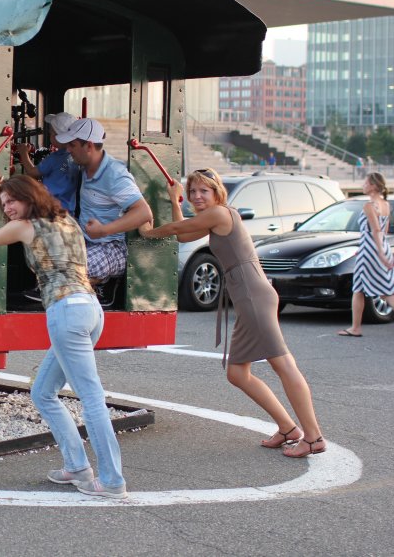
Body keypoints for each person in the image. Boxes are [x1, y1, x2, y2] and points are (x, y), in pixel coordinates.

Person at [0, 175, 127, 498]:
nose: (8, 207)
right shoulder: (65, 218)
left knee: (91, 397)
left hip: (66, 311)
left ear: (29, 197)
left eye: (13, 201)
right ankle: (77, 467)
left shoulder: (26, 226)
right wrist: (1, 194)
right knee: (42, 392)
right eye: (4, 203)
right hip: (90, 309)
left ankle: (112, 481)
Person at [140, 168, 326, 458]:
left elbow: (175, 230)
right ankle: (289, 429)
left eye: (204, 190)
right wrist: (175, 202)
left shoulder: (221, 214)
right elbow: (184, 236)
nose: (197, 196)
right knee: (238, 373)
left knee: (284, 366)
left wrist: (148, 232)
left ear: (217, 193)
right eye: (192, 192)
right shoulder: (215, 219)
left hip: (253, 297)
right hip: (250, 298)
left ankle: (313, 437)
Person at [55, 118, 152, 284]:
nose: (68, 149)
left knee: (70, 271)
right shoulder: (84, 167)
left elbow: (143, 212)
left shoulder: (114, 174)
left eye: (73, 145)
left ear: (89, 146)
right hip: (85, 239)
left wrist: (104, 230)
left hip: (111, 247)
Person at [338, 172, 394, 337]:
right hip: (381, 247)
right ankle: (355, 327)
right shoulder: (385, 205)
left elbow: (376, 230)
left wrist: (379, 255)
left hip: (369, 251)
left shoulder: (369, 206)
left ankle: (355, 328)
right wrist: (385, 253)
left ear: (374, 186)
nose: (363, 185)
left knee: (362, 290)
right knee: (382, 290)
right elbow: (383, 231)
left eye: (366, 183)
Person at [15, 112, 79, 211]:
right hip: (68, 209)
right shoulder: (75, 158)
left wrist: (24, 153)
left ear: (58, 137)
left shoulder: (54, 158)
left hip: (49, 208)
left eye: (51, 133)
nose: (50, 136)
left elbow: (32, 172)